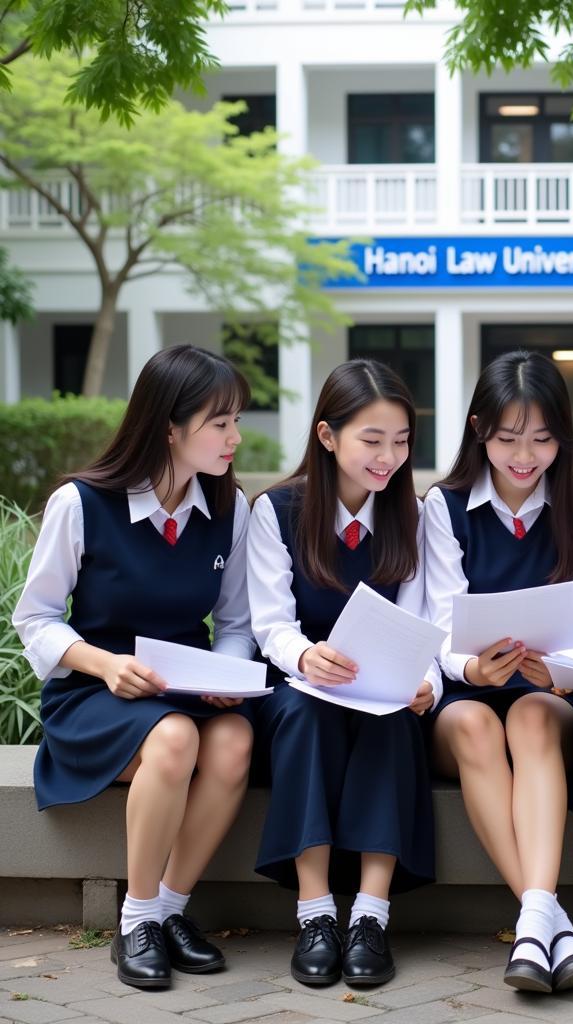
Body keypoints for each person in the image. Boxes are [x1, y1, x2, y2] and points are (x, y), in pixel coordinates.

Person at [13, 345, 256, 989]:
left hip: (181, 688)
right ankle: (136, 919)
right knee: (174, 740)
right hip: (97, 692)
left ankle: (171, 909)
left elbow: (234, 625)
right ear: (169, 427)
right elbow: (34, 619)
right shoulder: (81, 503)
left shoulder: (233, 512)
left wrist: (224, 677)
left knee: (233, 741)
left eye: (237, 420)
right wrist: (104, 664)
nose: (236, 437)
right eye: (220, 422)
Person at [247, 359, 438, 989]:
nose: (388, 457)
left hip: (380, 690)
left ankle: (371, 915)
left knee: (393, 721)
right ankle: (316, 911)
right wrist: (305, 656)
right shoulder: (277, 510)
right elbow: (269, 623)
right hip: (301, 686)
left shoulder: (410, 513)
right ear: (328, 437)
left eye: (401, 441)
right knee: (304, 714)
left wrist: (423, 682)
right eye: (372, 440)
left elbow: (421, 621)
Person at [423, 350, 573, 993]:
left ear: (564, 434)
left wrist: (559, 668)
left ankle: (534, 925)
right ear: (479, 431)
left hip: (544, 691)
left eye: (543, 439)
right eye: (507, 439)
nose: (524, 456)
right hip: (468, 695)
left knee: (529, 716)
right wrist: (470, 665)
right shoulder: (442, 508)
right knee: (474, 724)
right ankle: (547, 917)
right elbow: (436, 624)